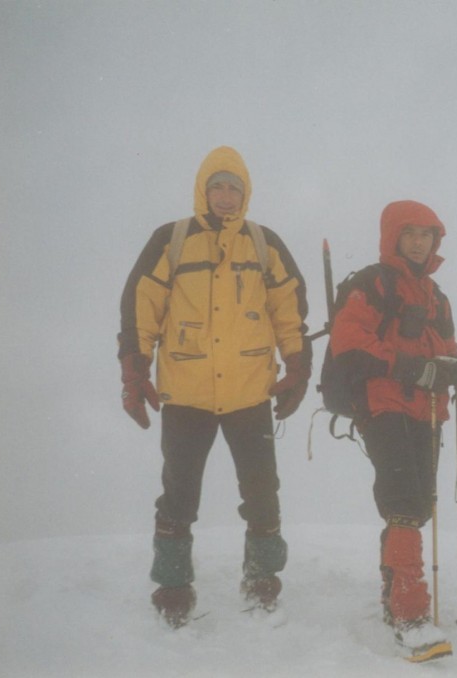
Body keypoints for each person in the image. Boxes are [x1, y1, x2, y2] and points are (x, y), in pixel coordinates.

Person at [117, 146, 310, 628]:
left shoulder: (264, 244)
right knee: (179, 493)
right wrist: (134, 371)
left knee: (263, 490)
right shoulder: (173, 239)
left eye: (235, 189)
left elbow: (289, 312)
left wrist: (298, 369)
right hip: (186, 392)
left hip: (249, 391)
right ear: (204, 190)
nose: (226, 197)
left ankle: (263, 577)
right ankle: (174, 585)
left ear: (246, 195)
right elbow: (141, 307)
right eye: (218, 187)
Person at [327, 200, 457, 656]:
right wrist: (411, 369)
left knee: (417, 504)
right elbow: (349, 341)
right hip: (384, 403)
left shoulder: (437, 295)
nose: (418, 242)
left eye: (426, 234)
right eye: (409, 233)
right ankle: (410, 615)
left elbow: (445, 347)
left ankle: (395, 595)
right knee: (405, 500)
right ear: (393, 236)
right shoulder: (372, 282)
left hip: (427, 410)